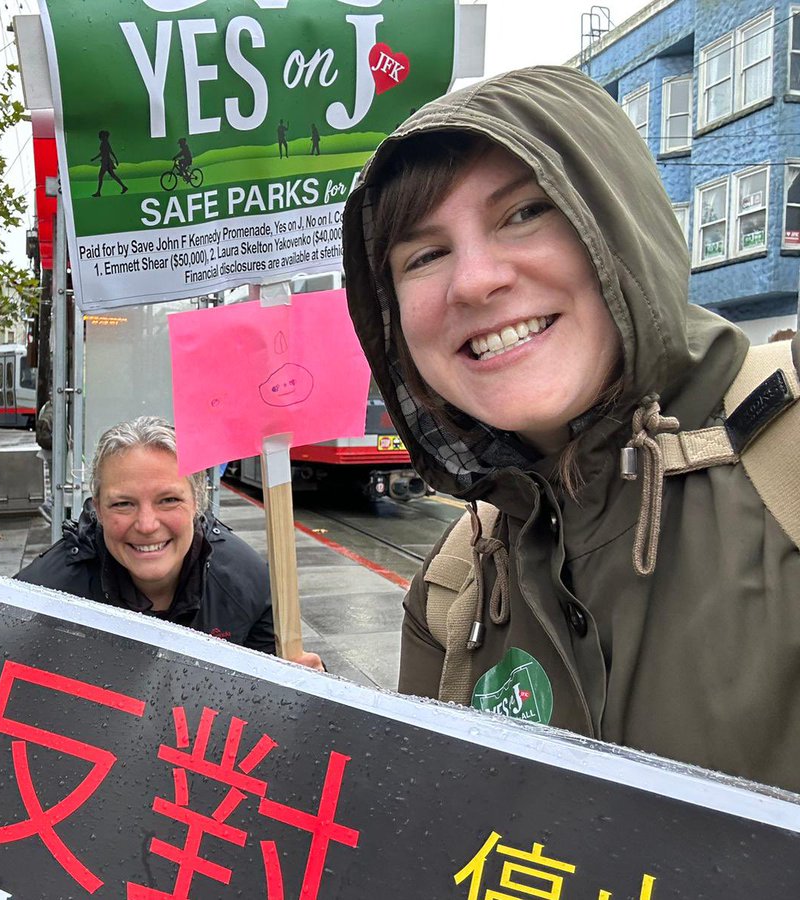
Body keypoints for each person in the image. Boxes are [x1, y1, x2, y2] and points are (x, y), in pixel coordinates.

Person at [341, 66, 800, 791]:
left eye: (523, 212)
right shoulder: (453, 587)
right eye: (424, 256)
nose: (474, 281)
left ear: (622, 223)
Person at [17, 416, 323, 670]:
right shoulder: (40, 597)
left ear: (198, 502)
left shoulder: (250, 586)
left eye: (169, 500)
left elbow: (277, 720)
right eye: (123, 504)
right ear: (97, 507)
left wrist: (308, 691)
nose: (147, 525)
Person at [91, 130, 128, 197]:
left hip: (106, 162)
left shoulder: (104, 143)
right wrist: (94, 158)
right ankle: (123, 187)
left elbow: (108, 152)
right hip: (107, 161)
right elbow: (105, 152)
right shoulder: (105, 143)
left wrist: (116, 159)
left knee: (101, 176)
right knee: (113, 175)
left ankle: (98, 192)